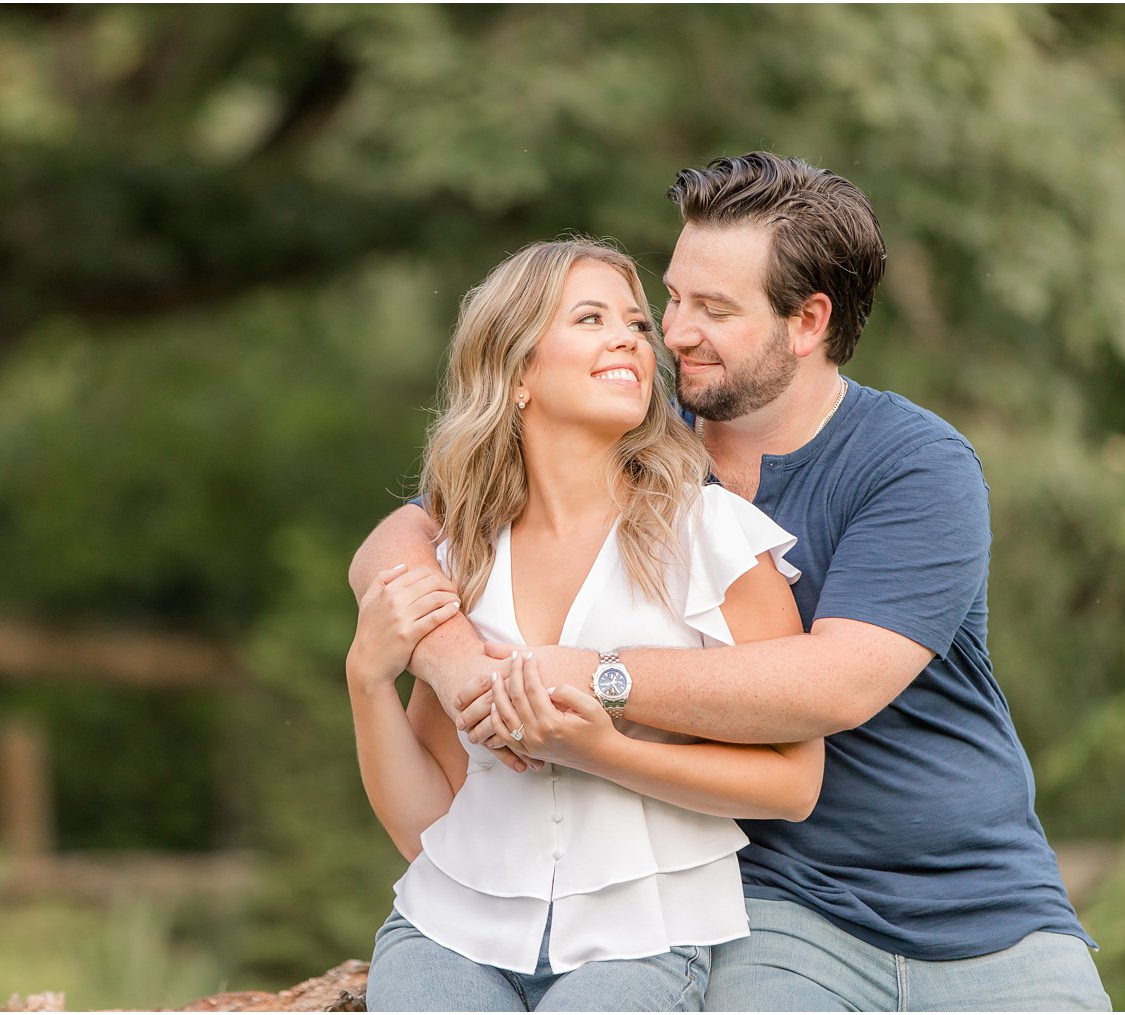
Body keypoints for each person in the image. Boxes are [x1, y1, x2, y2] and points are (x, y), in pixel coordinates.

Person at [348, 154, 1112, 1011]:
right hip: (774, 907)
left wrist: (598, 676)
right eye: (671, 298)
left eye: (712, 309)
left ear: (806, 321)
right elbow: (406, 541)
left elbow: (835, 683)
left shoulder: (914, 465)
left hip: (984, 907)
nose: (670, 334)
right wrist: (455, 669)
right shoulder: (626, 447)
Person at [346, 237, 825, 1011]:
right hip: (445, 932)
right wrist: (366, 678)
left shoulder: (711, 537)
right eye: (592, 318)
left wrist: (603, 751)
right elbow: (425, 823)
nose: (631, 339)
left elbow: (795, 782)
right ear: (518, 372)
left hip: (641, 943)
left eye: (636, 324)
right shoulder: (465, 554)